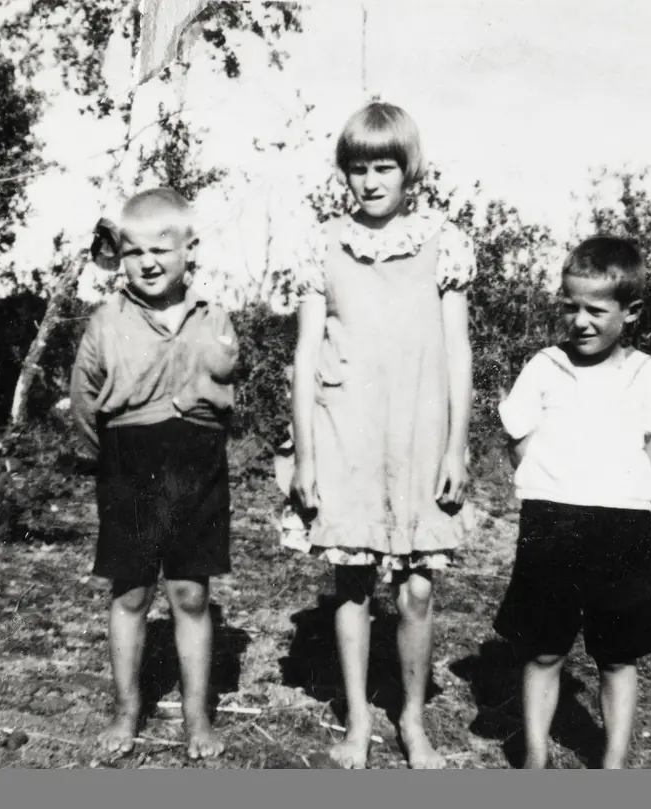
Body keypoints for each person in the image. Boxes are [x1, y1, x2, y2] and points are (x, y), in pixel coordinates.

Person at [282, 101, 477, 769]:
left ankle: (414, 720)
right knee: (353, 579)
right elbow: (306, 354)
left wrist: (457, 444)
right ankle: (358, 722)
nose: (370, 182)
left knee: (418, 586)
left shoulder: (440, 241)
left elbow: (458, 353)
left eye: (384, 167)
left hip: (420, 432)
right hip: (346, 429)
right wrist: (305, 454)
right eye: (358, 168)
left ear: (407, 170)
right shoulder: (322, 242)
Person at [493, 235, 651, 769]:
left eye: (596, 310)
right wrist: (549, 474)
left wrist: (621, 482)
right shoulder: (545, 365)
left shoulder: (644, 372)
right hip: (551, 521)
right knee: (543, 648)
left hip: (619, 528)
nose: (581, 321)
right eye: (570, 307)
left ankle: (613, 764)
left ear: (631, 312)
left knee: (618, 654)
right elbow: (517, 430)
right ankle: (535, 756)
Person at [70, 188, 239, 760]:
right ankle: (127, 711)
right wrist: (117, 454)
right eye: (134, 251)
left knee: (191, 594)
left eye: (162, 250)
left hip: (196, 466)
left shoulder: (214, 319)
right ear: (119, 255)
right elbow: (85, 403)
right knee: (133, 592)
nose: (147, 262)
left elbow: (224, 400)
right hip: (128, 465)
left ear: (190, 250)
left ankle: (197, 719)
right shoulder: (105, 322)